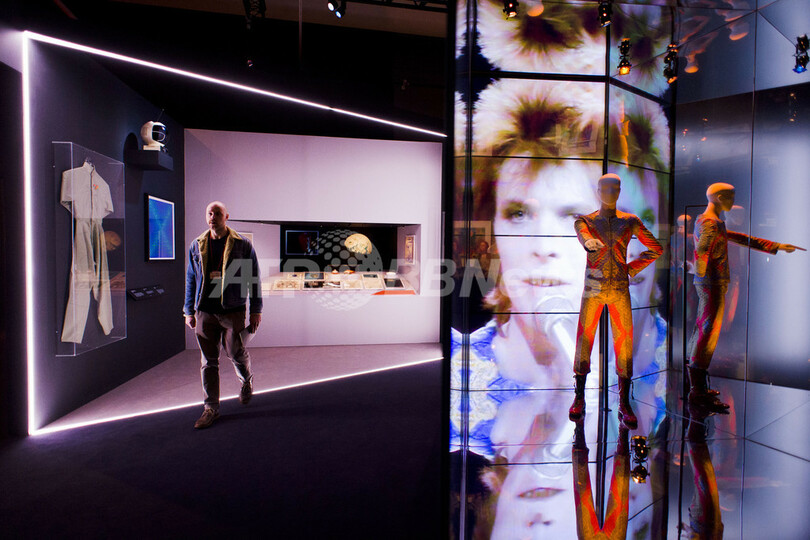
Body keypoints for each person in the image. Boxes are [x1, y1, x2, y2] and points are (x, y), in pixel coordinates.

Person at [686, 183, 803, 410]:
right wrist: (696, 270)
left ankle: (697, 388)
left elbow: (738, 238)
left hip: (710, 283)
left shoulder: (710, 221)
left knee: (704, 332)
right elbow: (702, 251)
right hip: (711, 284)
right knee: (707, 334)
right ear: (719, 197)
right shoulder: (710, 223)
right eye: (730, 197)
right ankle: (697, 391)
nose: (733, 202)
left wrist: (776, 246)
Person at [568, 173, 663, 429]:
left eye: (615, 188)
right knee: (585, 339)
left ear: (619, 191)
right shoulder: (585, 221)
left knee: (624, 343)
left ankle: (624, 401)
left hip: (620, 287)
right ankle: (579, 396)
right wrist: (588, 241)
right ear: (598, 191)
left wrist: (630, 268)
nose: (610, 193)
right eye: (605, 188)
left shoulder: (629, 221)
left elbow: (655, 248)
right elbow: (582, 234)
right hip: (594, 288)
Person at [184, 201, 262, 429]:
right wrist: (188, 310)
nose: (213, 216)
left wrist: (256, 310)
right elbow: (190, 279)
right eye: (209, 213)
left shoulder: (242, 245)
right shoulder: (196, 245)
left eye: (217, 213)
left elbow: (253, 279)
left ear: (226, 216)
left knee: (235, 352)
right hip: (205, 311)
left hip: (232, 310)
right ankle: (211, 408)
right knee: (208, 361)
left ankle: (246, 381)